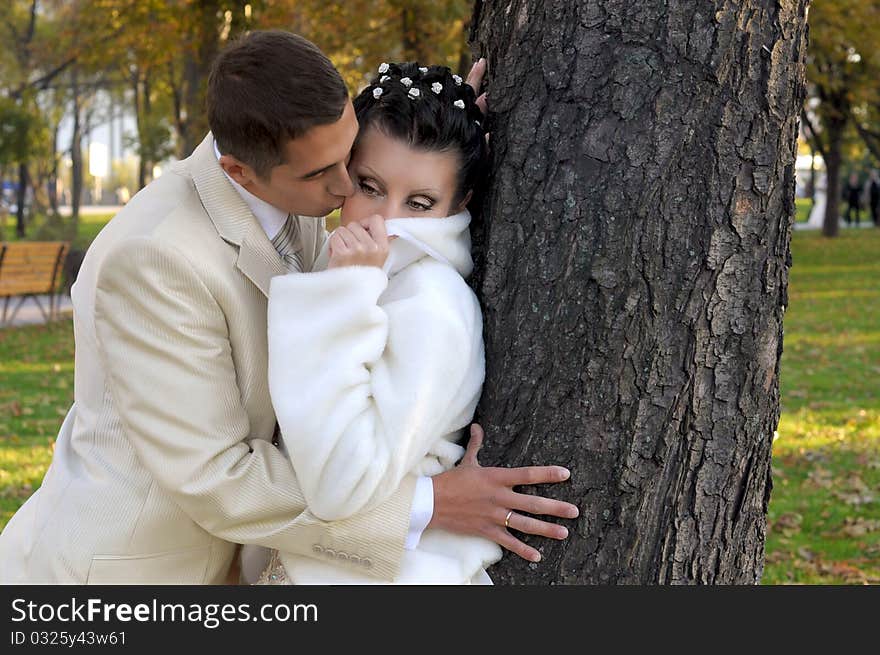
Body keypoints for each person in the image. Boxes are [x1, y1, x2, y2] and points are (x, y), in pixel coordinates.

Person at [0, 30, 577, 584]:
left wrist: (448, 134)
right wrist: (426, 504)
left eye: (349, 154)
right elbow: (215, 477)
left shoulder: (295, 166)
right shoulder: (156, 260)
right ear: (241, 172)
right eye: (332, 173)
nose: (348, 187)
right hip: (132, 573)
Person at [258, 62, 504, 584]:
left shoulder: (431, 305)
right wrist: (439, 111)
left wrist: (345, 300)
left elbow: (341, 486)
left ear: (460, 203)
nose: (385, 222)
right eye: (369, 186)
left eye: (420, 202)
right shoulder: (369, 270)